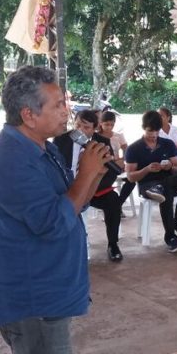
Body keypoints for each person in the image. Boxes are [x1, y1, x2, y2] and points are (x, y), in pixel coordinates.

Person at [0, 66, 110, 351]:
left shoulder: (43, 148)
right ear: (29, 115)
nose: (67, 111)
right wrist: (85, 174)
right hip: (33, 300)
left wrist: (96, 172)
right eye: (58, 105)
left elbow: (73, 204)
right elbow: (54, 222)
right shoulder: (10, 159)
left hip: (51, 290)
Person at [54, 110, 124, 262]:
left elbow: (110, 173)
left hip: (95, 188)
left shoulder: (102, 142)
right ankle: (68, 249)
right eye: (77, 125)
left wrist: (91, 184)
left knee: (113, 200)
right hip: (68, 189)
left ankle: (113, 244)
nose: (79, 130)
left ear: (94, 128)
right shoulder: (61, 140)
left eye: (85, 127)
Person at [125, 110, 177, 252]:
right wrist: (146, 169)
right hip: (148, 186)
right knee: (166, 193)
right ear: (143, 128)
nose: (153, 135)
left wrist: (170, 166)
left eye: (157, 132)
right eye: (150, 132)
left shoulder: (168, 144)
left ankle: (162, 187)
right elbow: (130, 177)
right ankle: (171, 237)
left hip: (168, 180)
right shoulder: (134, 148)